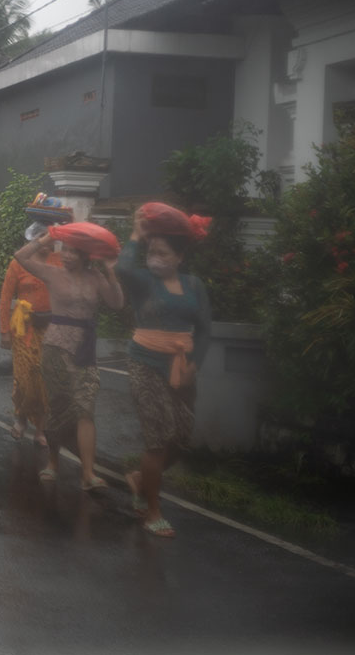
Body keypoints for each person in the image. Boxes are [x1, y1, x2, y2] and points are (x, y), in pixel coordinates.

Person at [115, 208, 211, 538]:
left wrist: (195, 362)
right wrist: (136, 236)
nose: (155, 259)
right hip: (144, 364)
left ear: (180, 257)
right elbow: (123, 267)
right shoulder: (143, 281)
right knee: (156, 439)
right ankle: (152, 509)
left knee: (181, 438)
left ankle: (141, 480)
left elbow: (205, 329)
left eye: (163, 253)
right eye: (151, 252)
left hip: (181, 367)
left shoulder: (194, 285)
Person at [13, 228, 123, 490]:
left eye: (74, 251)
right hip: (55, 350)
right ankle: (52, 462)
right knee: (59, 410)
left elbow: (117, 303)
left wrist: (110, 270)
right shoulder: (53, 274)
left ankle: (88, 473)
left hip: (85, 351)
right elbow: (21, 256)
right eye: (65, 250)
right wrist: (49, 237)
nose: (67, 255)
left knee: (86, 409)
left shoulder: (95, 277)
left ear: (85, 256)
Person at [0, 229, 63, 446]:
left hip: (50, 328)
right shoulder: (19, 263)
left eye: (52, 239)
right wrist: (4, 331)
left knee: (44, 379)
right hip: (23, 328)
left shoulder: (59, 261)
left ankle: (41, 428)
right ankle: (20, 418)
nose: (48, 244)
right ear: (34, 239)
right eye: (44, 238)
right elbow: (6, 298)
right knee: (25, 378)